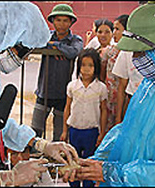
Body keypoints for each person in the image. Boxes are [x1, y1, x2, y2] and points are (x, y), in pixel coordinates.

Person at [65, 1, 155, 186]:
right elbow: (128, 130)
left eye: (141, 52)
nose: (136, 58)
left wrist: (110, 172)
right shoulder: (152, 84)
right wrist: (98, 160)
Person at [0, 2, 79, 186]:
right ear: (6, 41)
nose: (25, 58)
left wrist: (40, 144)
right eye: (25, 51)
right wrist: (7, 178)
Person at [31, 4, 83, 141]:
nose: (61, 24)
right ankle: (34, 155)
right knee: (35, 129)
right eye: (58, 20)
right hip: (44, 90)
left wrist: (55, 45)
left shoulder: (75, 40)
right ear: (53, 21)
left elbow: (74, 52)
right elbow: (36, 44)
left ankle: (56, 157)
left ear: (71, 22)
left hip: (62, 92)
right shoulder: (46, 36)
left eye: (65, 20)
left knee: (59, 132)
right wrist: (58, 48)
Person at [60, 48, 108, 187]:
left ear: (96, 68)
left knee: (88, 163)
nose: (86, 69)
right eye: (83, 65)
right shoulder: (72, 86)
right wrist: (65, 130)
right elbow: (67, 108)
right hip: (74, 130)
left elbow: (104, 110)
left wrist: (102, 132)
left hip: (91, 131)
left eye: (90, 66)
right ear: (78, 66)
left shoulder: (101, 88)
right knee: (73, 162)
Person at [111, 14, 143, 126]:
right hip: (132, 102)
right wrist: (118, 118)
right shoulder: (126, 52)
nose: (114, 32)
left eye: (117, 29)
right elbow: (122, 87)